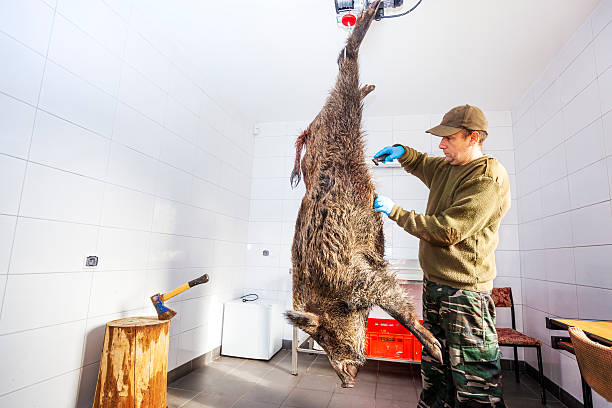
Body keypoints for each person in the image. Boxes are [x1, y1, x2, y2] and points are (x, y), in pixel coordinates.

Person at [373, 104, 510, 408]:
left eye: (449, 138)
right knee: (436, 365)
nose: (441, 144)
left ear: (473, 137)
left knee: (474, 378)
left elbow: (448, 230)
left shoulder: (486, 179)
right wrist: (402, 151)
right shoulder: (449, 166)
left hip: (465, 293)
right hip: (435, 285)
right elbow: (422, 162)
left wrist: (394, 211)